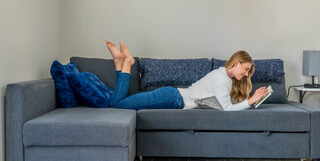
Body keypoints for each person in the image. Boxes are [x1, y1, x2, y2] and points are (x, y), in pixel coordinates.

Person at [105, 40, 269, 111]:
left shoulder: (223, 75)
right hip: (172, 98)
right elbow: (227, 109)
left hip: (172, 96)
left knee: (119, 102)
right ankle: (126, 63)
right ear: (236, 63)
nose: (246, 74)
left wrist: (251, 102)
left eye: (248, 71)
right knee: (117, 104)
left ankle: (119, 63)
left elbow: (226, 102)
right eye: (246, 69)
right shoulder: (222, 80)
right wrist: (251, 100)